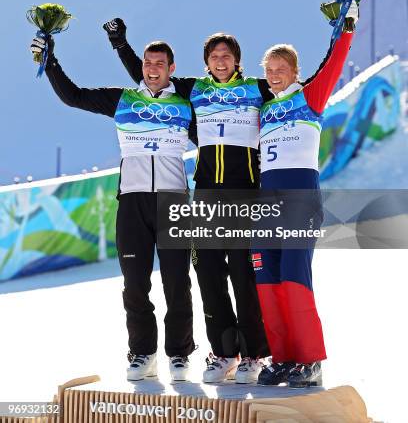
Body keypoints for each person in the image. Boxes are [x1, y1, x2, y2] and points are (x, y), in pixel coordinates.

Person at [104, 20, 270, 384]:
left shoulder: (258, 89)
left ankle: (254, 353)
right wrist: (121, 44)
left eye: (226, 55)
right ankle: (224, 352)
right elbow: (150, 77)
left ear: (238, 61)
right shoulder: (196, 91)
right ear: (206, 63)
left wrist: (342, 32)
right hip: (207, 193)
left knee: (244, 277)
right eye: (214, 56)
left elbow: (294, 89)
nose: (220, 61)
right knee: (210, 276)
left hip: (245, 193)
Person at [30, 34, 196, 382]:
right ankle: (142, 352)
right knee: (135, 285)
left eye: (160, 64)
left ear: (172, 69)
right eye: (148, 63)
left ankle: (179, 354)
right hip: (132, 202)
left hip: (173, 202)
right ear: (142, 67)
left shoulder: (186, 103)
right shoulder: (123, 100)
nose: (153, 69)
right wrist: (51, 61)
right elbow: (73, 96)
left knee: (177, 283)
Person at [253, 0, 359, 387]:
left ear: (295, 72)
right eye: (270, 70)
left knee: (295, 275)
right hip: (266, 204)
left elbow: (333, 65)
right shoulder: (262, 110)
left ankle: (309, 359)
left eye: (282, 70)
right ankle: (282, 358)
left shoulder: (309, 97)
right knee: (267, 278)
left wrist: (345, 27)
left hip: (299, 199)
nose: (276, 75)